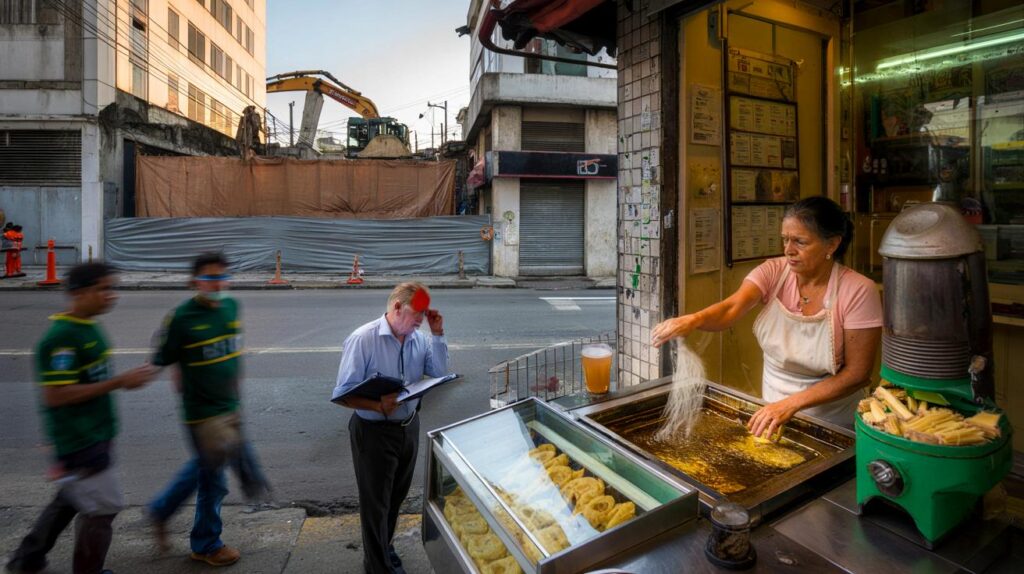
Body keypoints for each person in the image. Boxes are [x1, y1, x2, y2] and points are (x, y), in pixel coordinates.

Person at [652, 196, 882, 436]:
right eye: (785, 239)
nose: (788, 250)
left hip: (833, 421)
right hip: (771, 411)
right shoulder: (774, 271)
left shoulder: (858, 290)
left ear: (832, 244)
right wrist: (694, 320)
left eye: (800, 242)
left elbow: (857, 374)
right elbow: (732, 307)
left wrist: (790, 404)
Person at [5, 262, 158, 574]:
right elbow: (56, 394)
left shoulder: (89, 326)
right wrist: (119, 382)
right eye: (103, 289)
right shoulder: (62, 338)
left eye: (112, 288)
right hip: (80, 439)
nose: (111, 296)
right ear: (78, 293)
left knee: (70, 500)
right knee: (104, 508)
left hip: (96, 433)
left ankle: (26, 559)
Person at [147, 252, 270, 567]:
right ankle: (205, 543)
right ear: (194, 281)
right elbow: (162, 357)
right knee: (213, 477)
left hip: (228, 405)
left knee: (207, 469)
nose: (217, 284)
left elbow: (233, 355)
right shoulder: (180, 318)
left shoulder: (231, 307)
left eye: (222, 277)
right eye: (210, 278)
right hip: (201, 413)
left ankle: (163, 511)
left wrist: (236, 398)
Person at [331, 282, 449, 574]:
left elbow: (439, 373)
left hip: (408, 427)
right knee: (376, 506)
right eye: (416, 314)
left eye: (424, 314)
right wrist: (376, 405)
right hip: (373, 433)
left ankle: (385, 546)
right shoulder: (364, 339)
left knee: (396, 497)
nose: (420, 320)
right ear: (396, 307)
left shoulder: (418, 339)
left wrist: (437, 334)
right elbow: (342, 394)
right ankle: (377, 567)